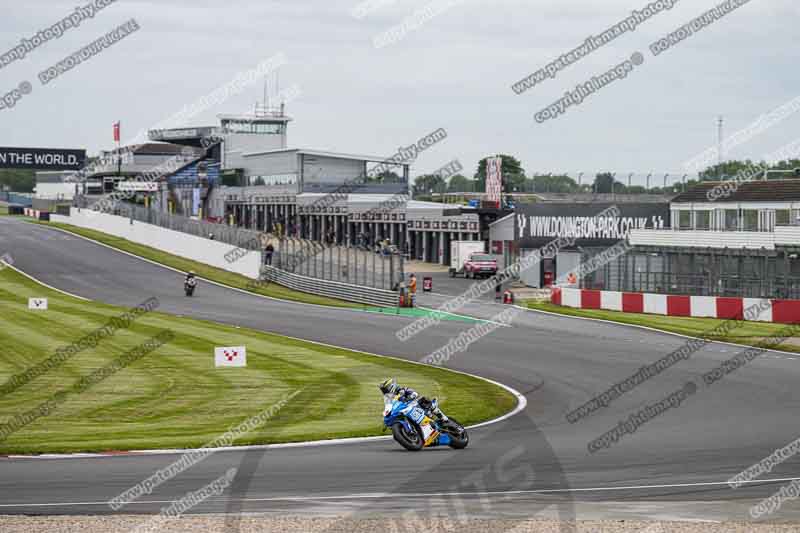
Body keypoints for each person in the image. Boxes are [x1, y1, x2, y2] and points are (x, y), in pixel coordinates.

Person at [379, 378, 449, 422]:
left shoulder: (403, 389)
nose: (384, 392)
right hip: (405, 410)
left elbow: (415, 393)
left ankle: (442, 416)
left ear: (391, 387)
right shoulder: (389, 398)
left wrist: (408, 398)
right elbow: (388, 406)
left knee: (424, 399)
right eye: (383, 390)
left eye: (385, 390)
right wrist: (386, 414)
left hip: (415, 404)